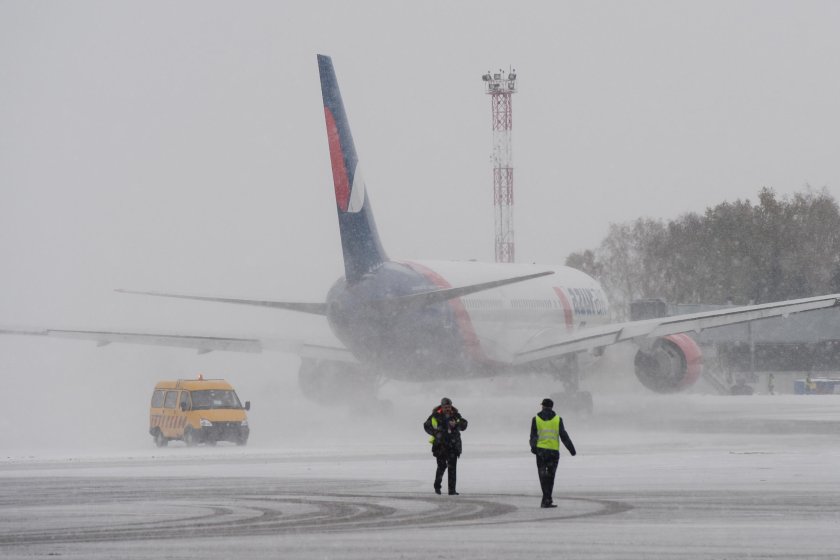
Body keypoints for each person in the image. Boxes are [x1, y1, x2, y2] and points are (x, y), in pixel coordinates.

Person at [529, 398, 576, 508]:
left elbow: (533, 436)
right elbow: (564, 436)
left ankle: (546, 499)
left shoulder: (535, 419)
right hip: (553, 452)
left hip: (541, 452)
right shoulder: (558, 419)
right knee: (550, 477)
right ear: (552, 407)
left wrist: (533, 447)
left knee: (542, 476)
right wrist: (571, 449)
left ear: (542, 406)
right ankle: (547, 499)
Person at [423, 397, 468, 495]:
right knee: (441, 466)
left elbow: (464, 425)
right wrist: (435, 433)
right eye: (445, 407)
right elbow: (426, 426)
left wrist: (456, 424)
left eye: (449, 406)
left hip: (453, 446)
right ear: (442, 407)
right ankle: (437, 486)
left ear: (451, 406)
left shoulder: (456, 415)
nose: (447, 408)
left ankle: (452, 490)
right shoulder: (435, 416)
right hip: (440, 446)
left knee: (452, 469)